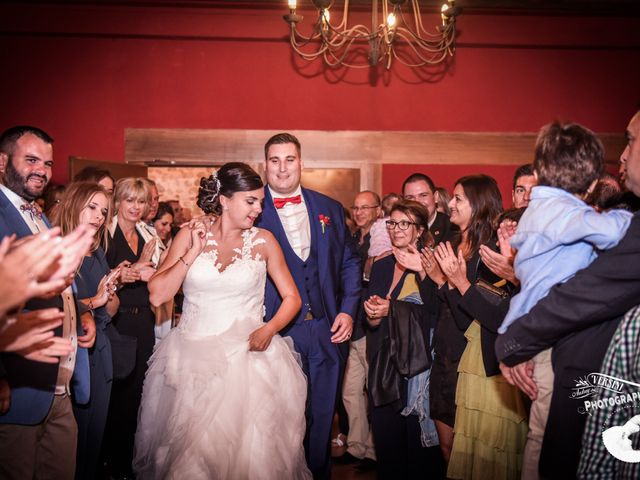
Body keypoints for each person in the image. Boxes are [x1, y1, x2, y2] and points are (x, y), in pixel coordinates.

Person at [134, 162, 310, 479]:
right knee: (189, 458)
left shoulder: (264, 241)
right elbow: (158, 295)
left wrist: (269, 330)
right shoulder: (189, 235)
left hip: (248, 363)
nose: (258, 209)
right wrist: (192, 252)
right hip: (192, 363)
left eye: (260, 201)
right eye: (251, 201)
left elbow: (293, 298)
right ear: (225, 200)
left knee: (251, 456)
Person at [495, 111, 640, 479]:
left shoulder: (540, 208)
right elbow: (605, 236)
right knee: (544, 433)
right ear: (591, 181)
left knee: (543, 435)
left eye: (630, 141)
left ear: (542, 171)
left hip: (533, 318)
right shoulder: (563, 212)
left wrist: (512, 344)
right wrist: (626, 220)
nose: (622, 155)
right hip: (548, 333)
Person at [256, 133, 360, 479]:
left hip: (327, 328)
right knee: (281, 416)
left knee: (321, 415)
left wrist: (346, 309)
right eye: (275, 160)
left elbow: (348, 262)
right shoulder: (252, 210)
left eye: (289, 159)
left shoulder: (328, 207)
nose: (282, 168)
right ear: (265, 165)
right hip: (277, 331)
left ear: (301, 163)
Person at [0, 125, 95, 480]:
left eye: (48, 162)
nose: (41, 169)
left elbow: (50, 282)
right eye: (31, 160)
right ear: (2, 161)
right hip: (18, 388)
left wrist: (81, 311)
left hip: (60, 383)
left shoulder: (38, 215)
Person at [431, 175, 528, 479]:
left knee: (489, 456)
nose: (452, 203)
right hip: (456, 355)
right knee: (458, 451)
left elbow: (492, 316)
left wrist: (454, 281)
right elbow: (460, 315)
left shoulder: (490, 251)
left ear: (479, 202)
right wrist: (443, 281)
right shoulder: (455, 244)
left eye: (459, 198)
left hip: (484, 359)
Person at [364, 200, 443, 479]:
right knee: (387, 446)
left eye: (405, 223)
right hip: (385, 364)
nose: (397, 229)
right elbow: (372, 319)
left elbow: (437, 314)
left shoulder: (432, 264)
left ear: (420, 230)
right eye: (393, 223)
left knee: (418, 448)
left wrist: (393, 308)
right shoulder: (383, 263)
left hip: (418, 367)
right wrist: (373, 312)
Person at [50, 181, 122, 480]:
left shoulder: (96, 251)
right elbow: (54, 305)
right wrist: (94, 302)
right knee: (67, 449)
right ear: (73, 204)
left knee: (93, 443)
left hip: (99, 352)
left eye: (103, 211)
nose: (98, 217)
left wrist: (111, 294)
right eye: (91, 207)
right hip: (70, 356)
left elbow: (110, 309)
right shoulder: (55, 249)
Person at [102, 177, 158, 479]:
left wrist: (151, 269)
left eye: (141, 201)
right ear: (118, 202)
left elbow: (155, 275)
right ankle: (107, 462)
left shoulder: (147, 233)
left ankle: (126, 464)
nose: (136, 207)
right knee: (115, 396)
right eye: (130, 200)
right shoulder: (105, 235)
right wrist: (128, 273)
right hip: (116, 321)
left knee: (138, 394)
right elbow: (99, 279)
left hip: (144, 321)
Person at [334, 191, 380, 470]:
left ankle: (374, 452)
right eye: (356, 207)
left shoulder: (382, 239)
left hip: (373, 325)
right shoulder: (352, 240)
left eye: (366, 207)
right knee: (351, 391)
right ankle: (356, 446)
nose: (360, 212)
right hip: (352, 324)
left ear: (378, 210)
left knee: (373, 392)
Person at [402, 173, 454, 244]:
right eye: (410, 197)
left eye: (423, 195)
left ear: (435, 197)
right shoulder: (397, 228)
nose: (417, 202)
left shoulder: (452, 229)